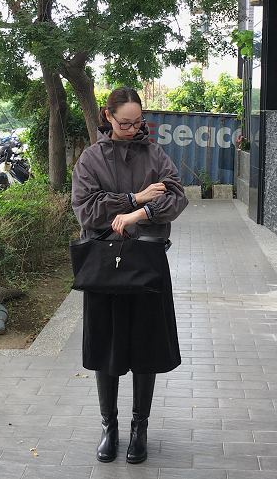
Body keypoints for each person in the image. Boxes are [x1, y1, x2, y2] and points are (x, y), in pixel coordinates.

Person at [71, 86, 188, 464]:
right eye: (125, 123)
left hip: (147, 265)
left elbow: (176, 197)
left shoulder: (154, 154)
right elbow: (87, 210)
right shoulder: (91, 159)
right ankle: (110, 426)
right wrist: (135, 198)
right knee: (106, 348)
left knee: (146, 348)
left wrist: (141, 214)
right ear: (108, 117)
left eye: (138, 122)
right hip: (104, 267)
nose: (133, 128)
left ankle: (140, 427)